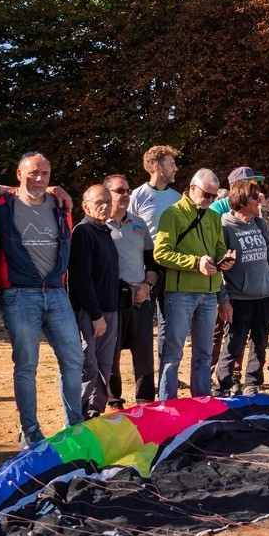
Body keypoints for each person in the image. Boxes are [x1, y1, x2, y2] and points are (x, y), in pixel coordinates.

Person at [0, 152, 82, 449]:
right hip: (20, 294)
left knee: (74, 359)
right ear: (19, 174)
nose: (39, 179)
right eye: (32, 172)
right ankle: (30, 431)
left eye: (45, 174)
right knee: (26, 365)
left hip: (56, 292)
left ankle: (75, 426)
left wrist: (55, 189)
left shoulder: (59, 204)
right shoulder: (2, 203)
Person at [153, 168, 235, 399]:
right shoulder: (172, 214)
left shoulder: (213, 217)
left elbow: (218, 250)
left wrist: (225, 261)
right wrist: (195, 263)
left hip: (208, 294)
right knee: (173, 354)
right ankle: (167, 405)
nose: (210, 200)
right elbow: (161, 253)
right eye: (206, 195)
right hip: (180, 293)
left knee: (204, 354)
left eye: (214, 196)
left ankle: (201, 402)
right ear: (192, 188)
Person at [216, 178, 269, 396]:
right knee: (234, 344)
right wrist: (223, 299)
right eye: (255, 196)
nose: (260, 200)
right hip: (238, 297)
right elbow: (218, 266)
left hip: (264, 295)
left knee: (260, 343)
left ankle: (252, 382)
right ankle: (224, 384)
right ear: (241, 199)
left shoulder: (261, 224)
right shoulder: (224, 226)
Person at [103, 174, 157, 408]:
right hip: (112, 299)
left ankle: (145, 401)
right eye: (120, 191)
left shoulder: (139, 223)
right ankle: (114, 401)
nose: (126, 195)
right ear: (107, 194)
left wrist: (147, 286)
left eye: (128, 190)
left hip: (140, 297)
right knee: (111, 353)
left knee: (144, 354)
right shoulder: (99, 225)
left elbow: (152, 263)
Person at [128, 145, 182, 374]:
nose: (176, 169)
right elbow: (128, 227)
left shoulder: (177, 198)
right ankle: (143, 374)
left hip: (172, 266)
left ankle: (166, 374)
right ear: (158, 167)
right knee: (142, 323)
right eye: (171, 164)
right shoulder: (137, 195)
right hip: (146, 268)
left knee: (169, 322)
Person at [69, 185, 121, 418]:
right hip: (90, 313)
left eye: (108, 201)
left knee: (104, 367)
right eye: (99, 202)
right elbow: (81, 278)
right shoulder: (83, 232)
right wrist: (96, 315)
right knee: (88, 366)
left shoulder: (105, 231)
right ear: (85, 206)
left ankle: (94, 414)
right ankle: (77, 418)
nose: (105, 206)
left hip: (110, 310)